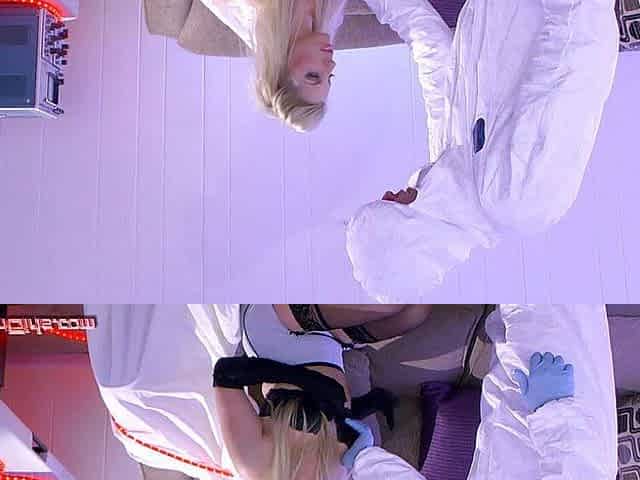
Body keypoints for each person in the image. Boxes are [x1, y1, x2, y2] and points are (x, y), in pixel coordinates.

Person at [346, 0, 620, 302]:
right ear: (410, 236)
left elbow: (432, 51)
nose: (388, 193)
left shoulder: (447, 163)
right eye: (387, 208)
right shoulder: (518, 199)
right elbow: (576, 50)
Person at [85, 304, 423, 480]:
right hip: (333, 341)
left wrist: (304, 382)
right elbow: (350, 432)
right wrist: (366, 407)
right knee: (416, 312)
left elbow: (227, 374)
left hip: (280, 329)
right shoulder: (340, 474)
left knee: (390, 303)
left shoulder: (254, 465)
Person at [467, 305, 618, 480]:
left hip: (508, 434)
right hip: (564, 417)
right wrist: (553, 410)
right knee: (552, 309)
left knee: (510, 318)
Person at [200, 0, 344, 132]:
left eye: (313, 76)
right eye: (329, 77)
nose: (331, 65)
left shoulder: (251, 6)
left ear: (280, 68)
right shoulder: (331, 14)